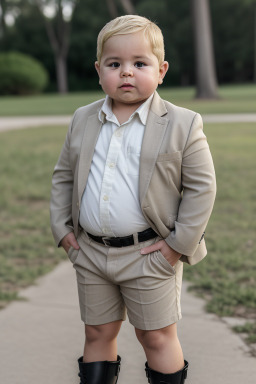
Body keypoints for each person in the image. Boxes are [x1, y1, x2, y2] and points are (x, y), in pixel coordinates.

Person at [50, 14, 216, 384]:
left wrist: (176, 247)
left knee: (155, 336)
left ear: (161, 71)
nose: (126, 72)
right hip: (91, 252)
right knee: (97, 333)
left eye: (139, 64)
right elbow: (63, 175)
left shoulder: (182, 123)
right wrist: (63, 232)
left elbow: (202, 189)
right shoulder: (83, 119)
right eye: (115, 64)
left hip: (151, 253)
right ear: (99, 70)